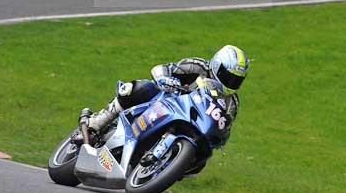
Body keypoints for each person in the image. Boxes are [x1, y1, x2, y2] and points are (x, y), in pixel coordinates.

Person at [81, 44, 251, 143]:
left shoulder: (232, 102)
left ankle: (166, 165)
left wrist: (219, 137)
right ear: (217, 65)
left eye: (236, 80)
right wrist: (165, 79)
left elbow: (225, 128)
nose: (231, 83)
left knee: (201, 162)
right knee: (140, 88)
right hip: (164, 104)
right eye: (228, 76)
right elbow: (162, 69)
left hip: (191, 128)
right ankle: (98, 121)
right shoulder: (197, 66)